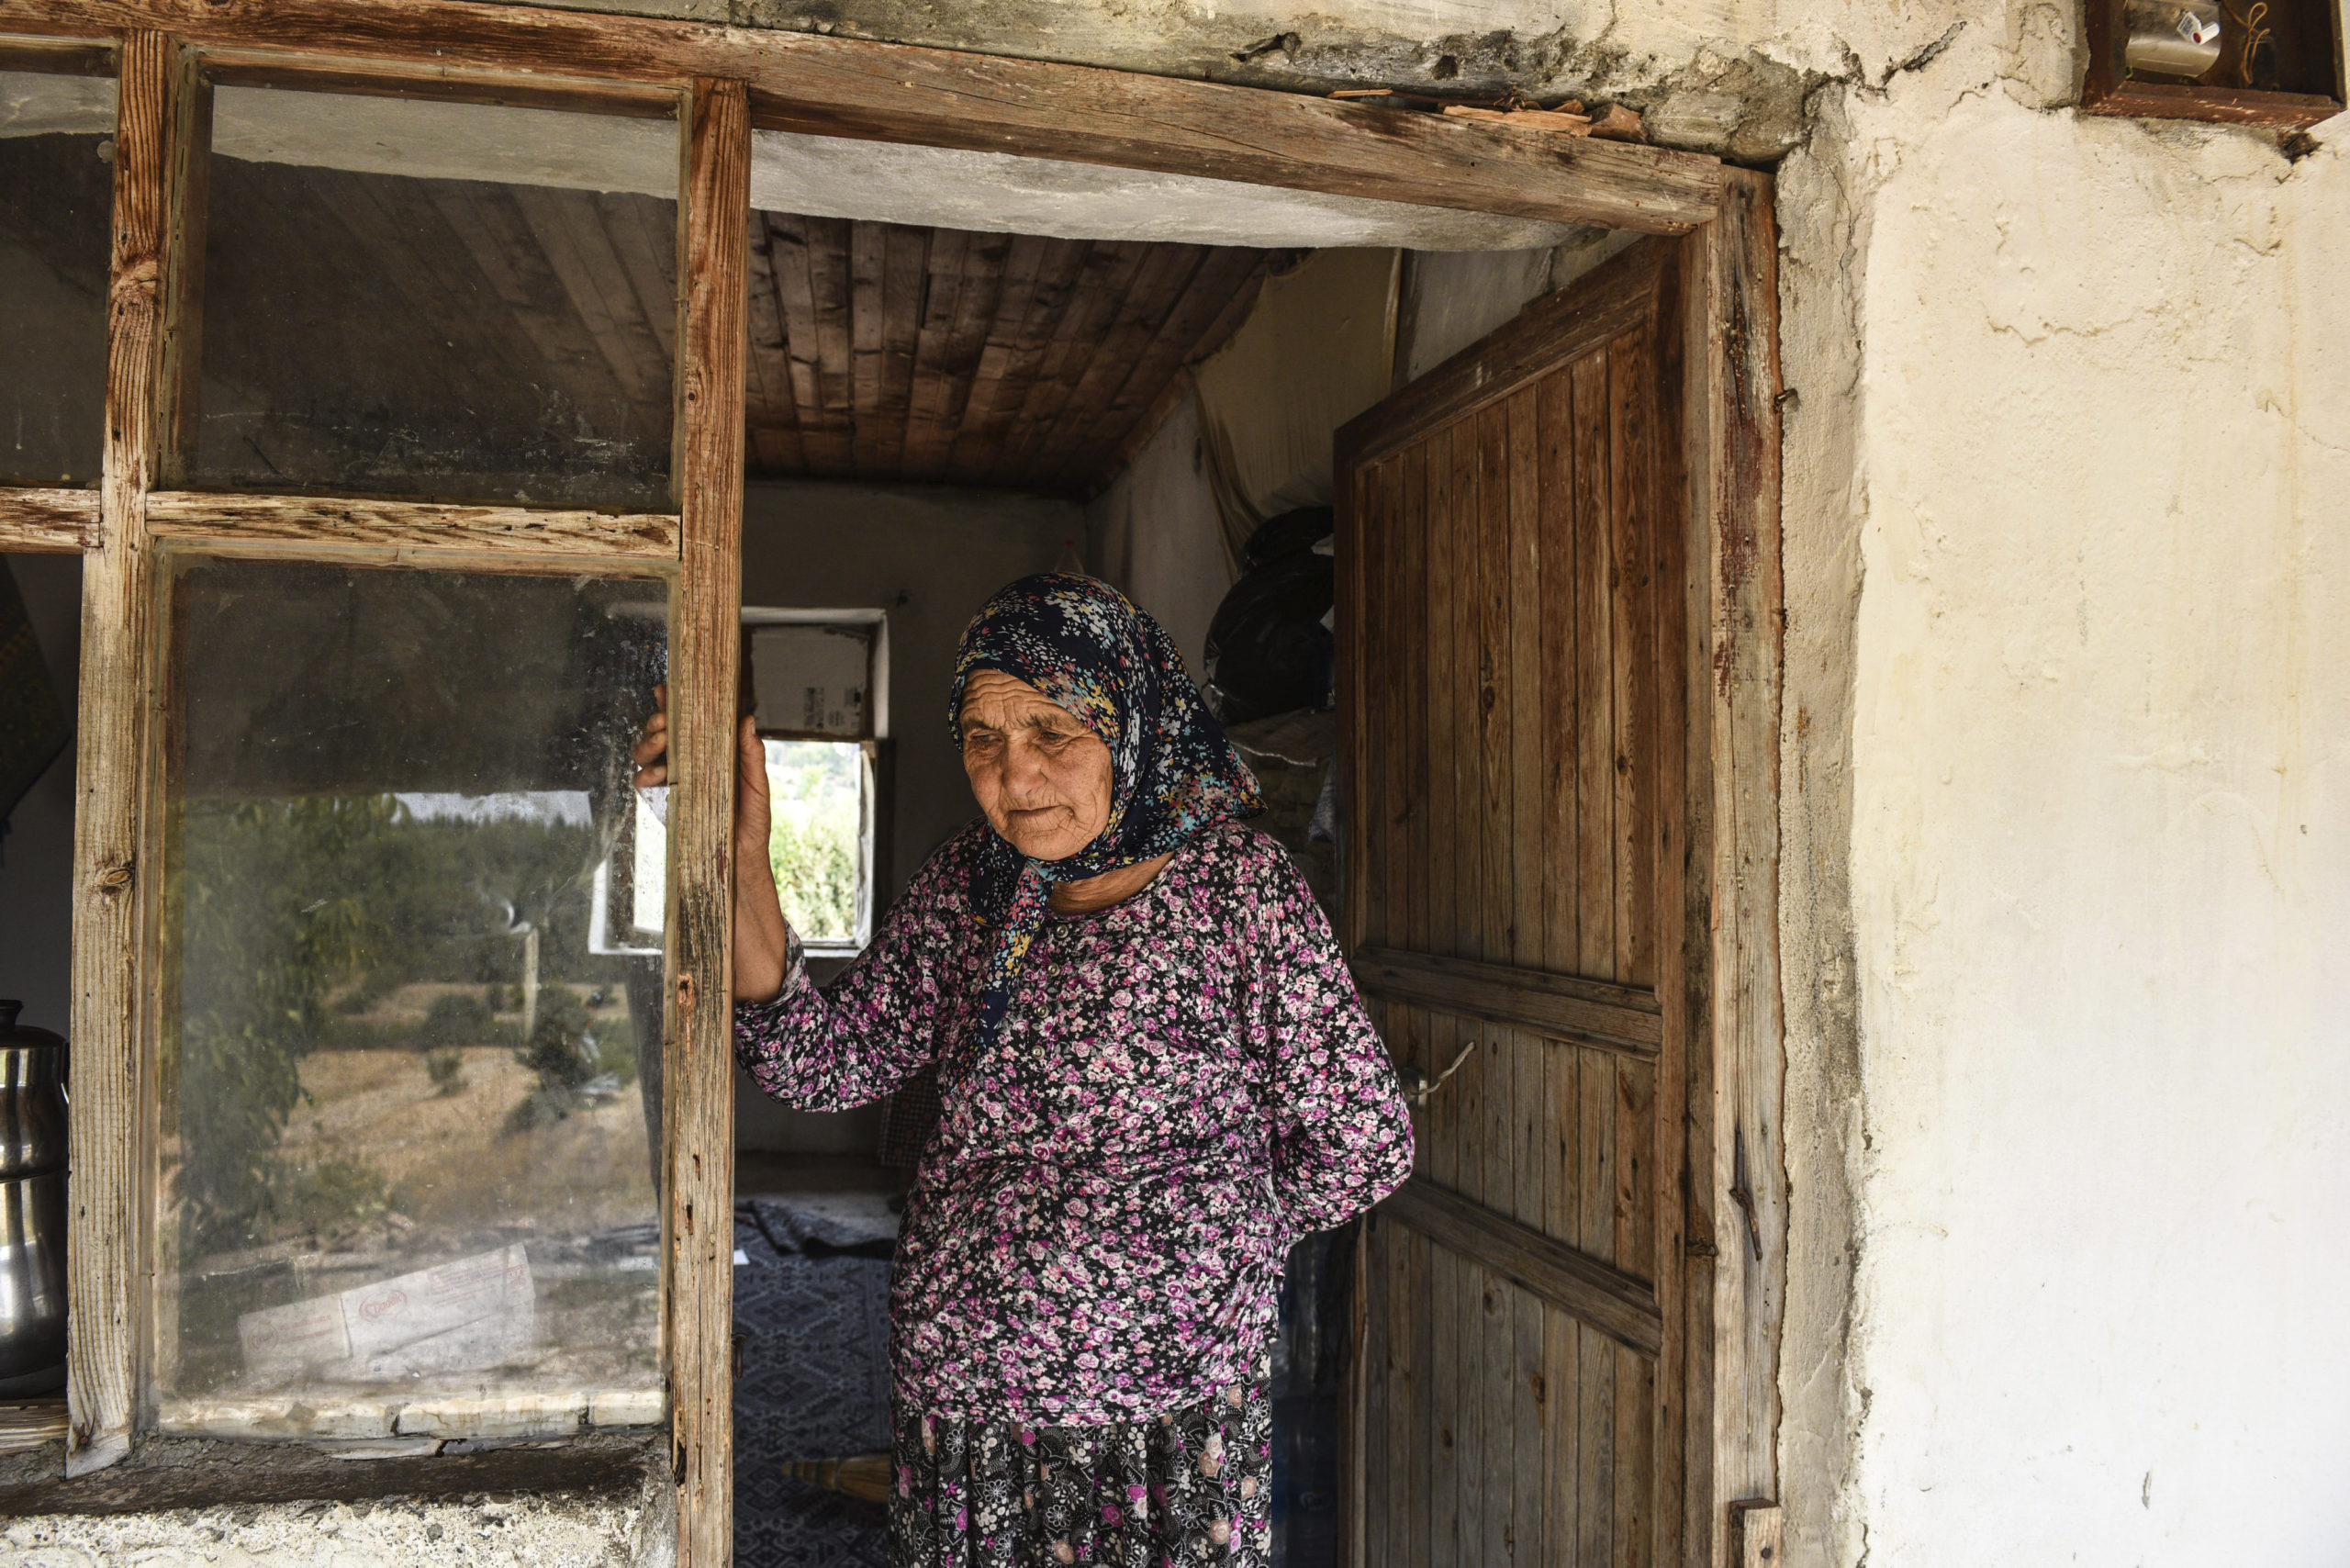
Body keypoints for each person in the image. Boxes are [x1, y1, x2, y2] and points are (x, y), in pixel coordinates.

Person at [634, 573, 1412, 1567]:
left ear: (1129, 721)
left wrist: (1191, 1245)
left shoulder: (1238, 892)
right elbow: (818, 1062)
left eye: (1053, 730)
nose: (1015, 776)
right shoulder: (974, 884)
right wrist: (745, 859)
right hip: (966, 1412)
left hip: (1166, 1418)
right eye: (982, 739)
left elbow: (1365, 1143)